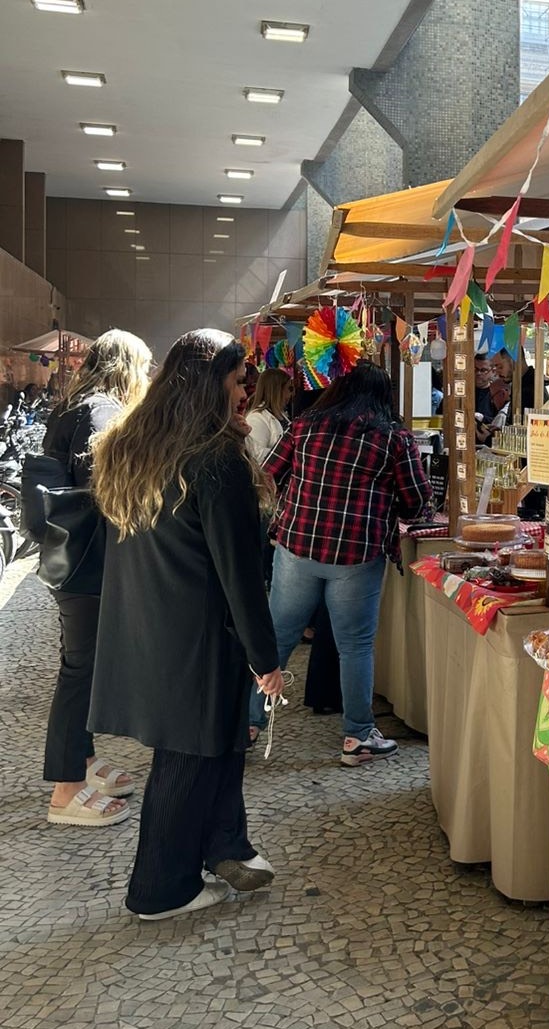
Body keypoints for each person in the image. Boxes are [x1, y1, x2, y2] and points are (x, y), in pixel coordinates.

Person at [89, 329, 285, 920]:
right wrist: (267, 659)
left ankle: (227, 847)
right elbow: (239, 572)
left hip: (150, 625)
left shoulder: (133, 443)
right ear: (211, 385)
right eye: (236, 379)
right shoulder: (214, 456)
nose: (245, 389)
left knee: (218, 747)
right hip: (200, 636)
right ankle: (160, 889)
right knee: (188, 757)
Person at [253, 361, 432, 765]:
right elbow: (417, 502)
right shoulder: (394, 438)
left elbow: (267, 474)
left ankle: (248, 724)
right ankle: (357, 737)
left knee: (277, 638)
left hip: (297, 546)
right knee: (355, 647)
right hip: (356, 554)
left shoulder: (304, 425)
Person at [42, 329, 153, 828]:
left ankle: (82, 763)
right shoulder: (102, 412)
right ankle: (66, 792)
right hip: (90, 564)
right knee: (79, 673)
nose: (148, 377)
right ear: (127, 366)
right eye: (144, 367)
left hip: (68, 559)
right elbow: (108, 496)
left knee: (78, 666)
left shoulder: (72, 406)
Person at [244, 367, 294, 464]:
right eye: (289, 389)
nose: (291, 394)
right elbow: (256, 454)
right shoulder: (256, 418)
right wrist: (288, 455)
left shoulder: (280, 414)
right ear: (278, 390)